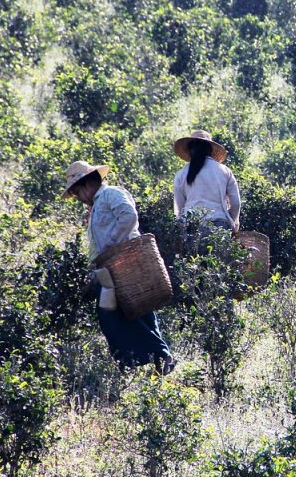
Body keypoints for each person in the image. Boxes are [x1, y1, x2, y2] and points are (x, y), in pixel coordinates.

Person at [62, 160, 174, 373]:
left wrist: (113, 244)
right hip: (111, 269)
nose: (79, 198)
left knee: (123, 313)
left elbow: (129, 215)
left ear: (86, 184)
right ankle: (146, 360)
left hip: (126, 263)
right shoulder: (96, 205)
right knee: (128, 313)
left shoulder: (111, 194)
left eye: (77, 193)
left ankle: (158, 356)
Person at [173, 130, 241, 245]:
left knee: (195, 262)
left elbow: (179, 210)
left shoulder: (181, 174)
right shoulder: (224, 171)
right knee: (219, 262)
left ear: (189, 150)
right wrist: (233, 222)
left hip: (192, 228)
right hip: (219, 226)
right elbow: (236, 203)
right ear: (210, 150)